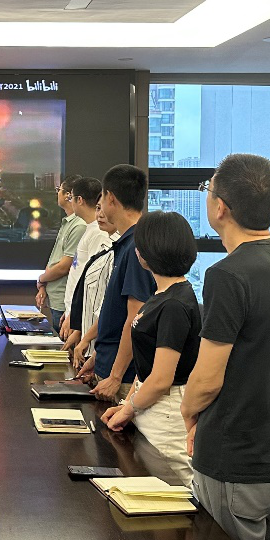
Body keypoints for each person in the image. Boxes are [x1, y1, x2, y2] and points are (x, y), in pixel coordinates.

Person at [181, 153, 270, 540]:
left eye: (207, 189)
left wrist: (188, 413)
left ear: (221, 207)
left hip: (233, 460)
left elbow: (207, 379)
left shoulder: (228, 274)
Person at [100, 211, 201, 484]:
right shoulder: (161, 295)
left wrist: (128, 409)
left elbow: (160, 379)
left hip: (166, 413)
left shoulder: (174, 304)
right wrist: (127, 405)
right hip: (149, 405)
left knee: (170, 490)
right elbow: (146, 367)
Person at [77, 165, 155, 401]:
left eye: (102, 197)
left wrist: (115, 376)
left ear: (110, 197)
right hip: (108, 365)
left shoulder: (137, 246)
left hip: (122, 378)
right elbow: (116, 312)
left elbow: (135, 318)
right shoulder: (127, 242)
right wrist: (98, 357)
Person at [67, 201, 118, 370]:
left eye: (104, 208)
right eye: (97, 208)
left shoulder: (116, 250)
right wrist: (79, 329)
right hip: (91, 343)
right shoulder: (105, 247)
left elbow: (108, 308)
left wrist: (86, 337)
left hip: (100, 347)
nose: (100, 214)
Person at [58, 176, 105, 340]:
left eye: (71, 198)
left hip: (84, 317)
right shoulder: (90, 229)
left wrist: (74, 316)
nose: (70, 202)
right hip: (75, 312)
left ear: (79, 200)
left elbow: (92, 281)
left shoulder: (98, 233)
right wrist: (69, 311)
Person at [35, 176, 84, 328]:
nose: (57, 193)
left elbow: (64, 266)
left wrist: (41, 279)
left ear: (69, 195)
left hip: (64, 301)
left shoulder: (79, 225)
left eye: (59, 190)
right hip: (55, 298)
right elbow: (54, 260)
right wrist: (43, 285)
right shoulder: (67, 222)